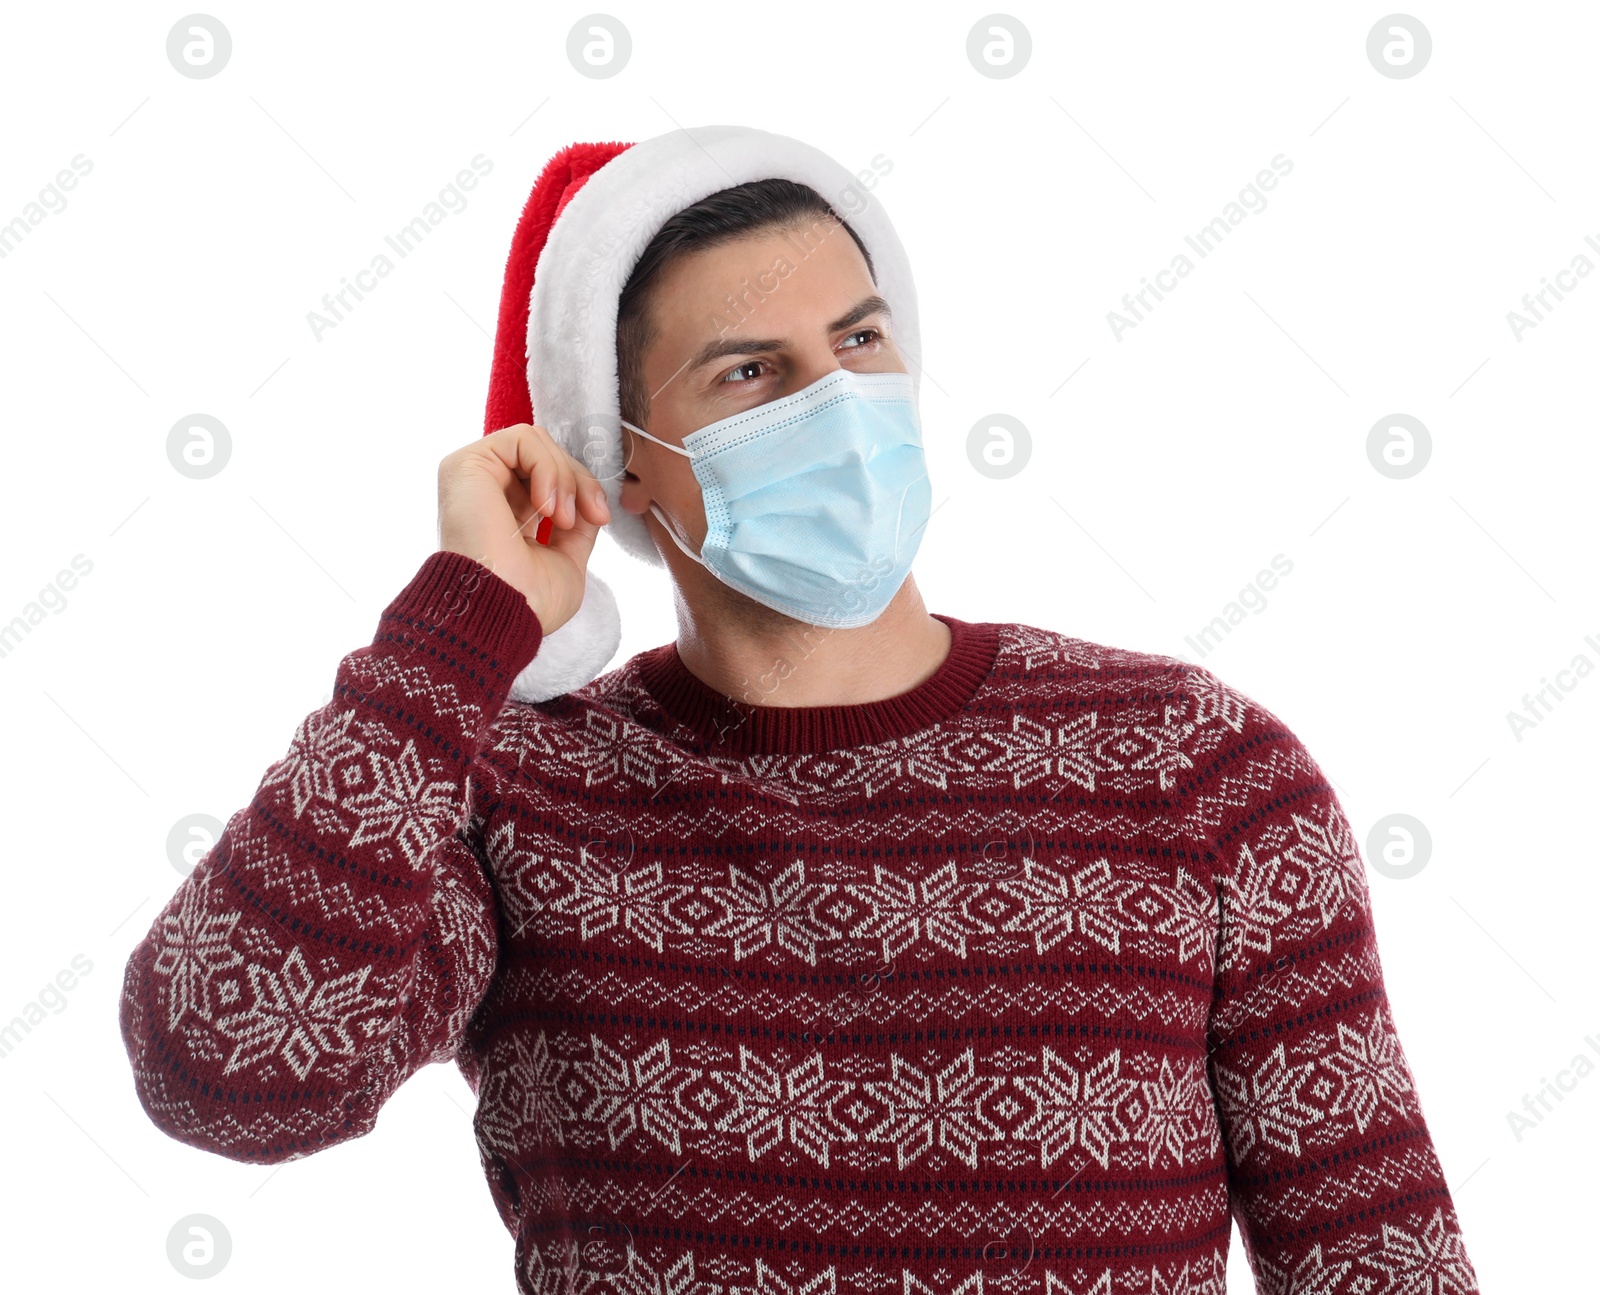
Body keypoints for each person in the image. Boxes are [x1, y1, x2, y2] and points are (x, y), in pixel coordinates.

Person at [119, 124, 1481, 1295]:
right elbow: (229, 1073)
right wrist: (467, 620)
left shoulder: (1201, 771)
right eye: (751, 373)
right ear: (623, 464)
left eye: (860, 340)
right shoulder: (516, 803)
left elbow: (1380, 1266)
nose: (839, 404)